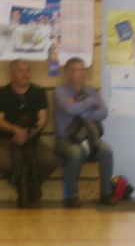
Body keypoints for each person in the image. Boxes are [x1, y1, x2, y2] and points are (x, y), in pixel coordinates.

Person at [53, 58, 115, 208]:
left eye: (83, 69)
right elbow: (69, 109)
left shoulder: (91, 91)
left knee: (107, 151)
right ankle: (72, 197)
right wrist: (90, 102)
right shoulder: (60, 91)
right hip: (66, 139)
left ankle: (106, 194)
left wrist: (82, 110)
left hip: (90, 137)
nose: (82, 73)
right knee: (76, 153)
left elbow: (104, 112)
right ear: (68, 74)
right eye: (77, 70)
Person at [0, 59, 58, 207]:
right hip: (7, 138)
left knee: (50, 160)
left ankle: (27, 187)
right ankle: (28, 188)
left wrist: (29, 133)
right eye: (20, 70)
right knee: (5, 163)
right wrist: (15, 130)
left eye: (28, 70)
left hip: (32, 138)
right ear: (11, 73)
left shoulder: (38, 92)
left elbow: (43, 120)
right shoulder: (2, 93)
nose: (25, 74)